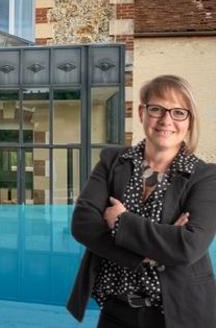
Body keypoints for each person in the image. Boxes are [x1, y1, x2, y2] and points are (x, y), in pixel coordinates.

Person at [67, 75, 216, 328]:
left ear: (189, 121)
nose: (166, 120)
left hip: (178, 315)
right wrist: (150, 254)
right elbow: (83, 225)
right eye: (157, 109)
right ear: (141, 113)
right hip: (116, 310)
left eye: (179, 112)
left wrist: (120, 222)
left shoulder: (205, 176)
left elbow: (188, 246)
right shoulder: (113, 161)